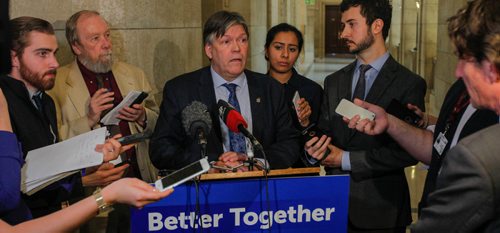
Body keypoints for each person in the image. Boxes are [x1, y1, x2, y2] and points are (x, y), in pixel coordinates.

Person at [304, 0, 427, 232]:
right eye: (343, 25)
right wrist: (314, 147)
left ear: (377, 26)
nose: (343, 33)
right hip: (333, 206)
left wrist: (346, 159)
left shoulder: (408, 83)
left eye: (352, 24)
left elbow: (407, 153)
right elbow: (325, 132)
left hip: (381, 210)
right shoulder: (334, 81)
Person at [150, 11, 300, 172]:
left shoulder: (270, 88)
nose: (237, 48)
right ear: (209, 50)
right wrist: (209, 165)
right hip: (205, 190)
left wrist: (256, 162)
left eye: (242, 40)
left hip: (261, 187)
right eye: (226, 41)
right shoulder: (181, 90)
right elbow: (161, 149)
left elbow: (290, 143)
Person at [49, 10, 159, 184]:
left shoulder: (134, 74)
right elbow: (51, 146)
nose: (107, 44)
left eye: (107, 35)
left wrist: (143, 116)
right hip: (93, 193)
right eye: (95, 38)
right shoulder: (55, 85)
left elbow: (160, 124)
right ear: (76, 47)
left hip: (140, 180)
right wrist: (89, 119)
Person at [0, 16, 87, 219]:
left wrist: (88, 163)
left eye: (54, 53)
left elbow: (45, 165)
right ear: (13, 58)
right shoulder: (3, 101)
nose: (55, 63)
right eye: (42, 54)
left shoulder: (45, 100)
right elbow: (10, 186)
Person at [264, 23, 323, 168]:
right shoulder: (255, 89)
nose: (285, 55)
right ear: (266, 50)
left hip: (301, 172)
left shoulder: (312, 90)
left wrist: (306, 124)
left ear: (298, 53)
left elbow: (322, 142)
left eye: (292, 49)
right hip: (263, 172)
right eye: (278, 47)